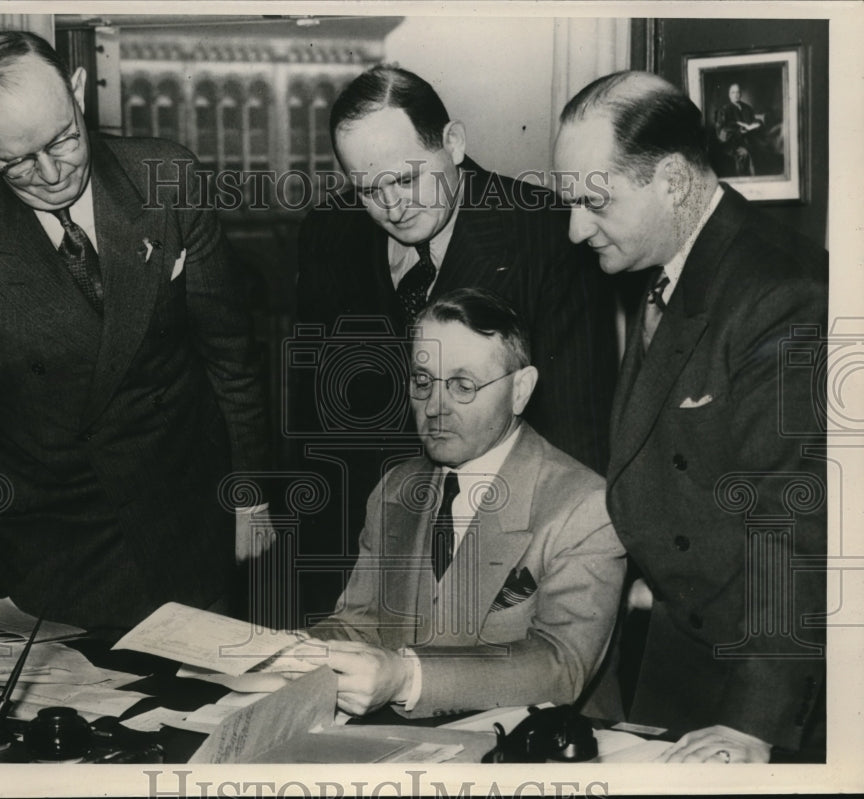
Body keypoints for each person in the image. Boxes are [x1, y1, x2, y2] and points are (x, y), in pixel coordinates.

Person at [0, 31, 273, 631]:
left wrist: (250, 494)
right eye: (16, 161)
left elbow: (231, 355)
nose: (50, 173)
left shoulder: (166, 177)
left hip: (184, 513)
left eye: (64, 139)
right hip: (54, 532)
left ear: (76, 91)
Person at [553, 71, 827, 762]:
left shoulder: (782, 293)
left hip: (762, 675)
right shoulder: (674, 261)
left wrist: (754, 720)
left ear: (672, 181)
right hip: (681, 650)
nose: (575, 227)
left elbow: (790, 523)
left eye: (594, 201)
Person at [293, 65, 618, 619]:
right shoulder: (329, 233)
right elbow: (314, 415)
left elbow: (578, 432)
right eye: (368, 188)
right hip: (360, 557)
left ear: (454, 143)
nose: (392, 207)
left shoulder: (544, 234)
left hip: (501, 553)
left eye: (406, 178)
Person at [287, 288, 625, 719]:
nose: (435, 408)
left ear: (520, 391)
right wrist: (285, 655)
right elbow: (359, 624)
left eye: (463, 385)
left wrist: (407, 677)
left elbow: (560, 666)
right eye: (423, 381)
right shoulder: (396, 489)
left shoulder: (583, 505)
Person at [713, 82, 762, 176]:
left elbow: (753, 121)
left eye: (738, 92)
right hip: (732, 144)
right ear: (729, 95)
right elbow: (721, 131)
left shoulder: (747, 108)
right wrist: (738, 131)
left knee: (762, 150)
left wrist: (758, 124)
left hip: (748, 140)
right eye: (733, 92)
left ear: (741, 94)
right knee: (744, 154)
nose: (736, 95)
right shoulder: (724, 110)